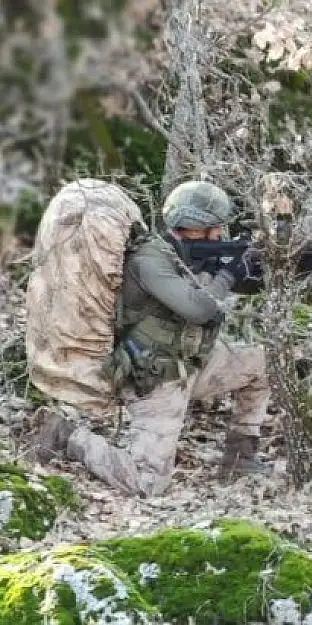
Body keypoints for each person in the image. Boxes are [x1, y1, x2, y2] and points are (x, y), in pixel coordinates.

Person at [26, 180, 273, 497]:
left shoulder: (188, 254)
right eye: (214, 227)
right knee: (147, 484)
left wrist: (262, 267)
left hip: (191, 364)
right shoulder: (150, 260)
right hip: (156, 379)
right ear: (195, 227)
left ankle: (240, 456)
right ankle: (66, 435)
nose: (219, 234)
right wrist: (229, 273)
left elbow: (228, 287)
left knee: (264, 363)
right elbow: (198, 309)